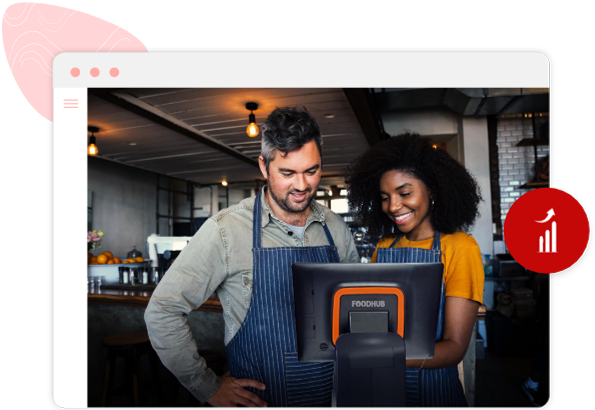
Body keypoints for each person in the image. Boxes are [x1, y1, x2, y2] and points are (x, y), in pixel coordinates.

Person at [144, 106, 359, 407]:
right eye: (288, 173)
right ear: (263, 165)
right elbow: (163, 310)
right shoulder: (226, 230)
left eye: (311, 171)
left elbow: (354, 310)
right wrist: (206, 386)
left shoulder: (335, 228)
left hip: (333, 396)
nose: (301, 185)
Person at [344, 132, 484, 407]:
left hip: (434, 392)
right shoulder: (383, 247)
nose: (393, 206)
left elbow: (455, 347)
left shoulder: (460, 248)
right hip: (382, 390)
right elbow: (372, 321)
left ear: (432, 189)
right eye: (385, 197)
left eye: (404, 193)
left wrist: (386, 355)